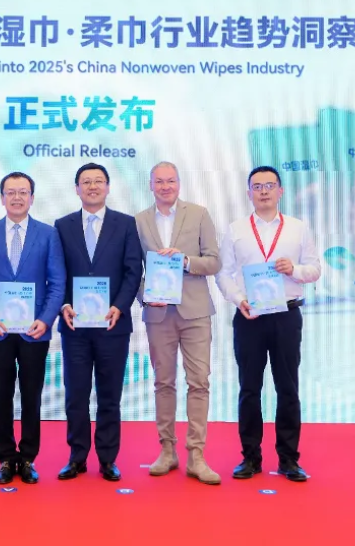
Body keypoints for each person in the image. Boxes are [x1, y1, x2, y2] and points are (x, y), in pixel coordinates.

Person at [215, 166, 321, 482]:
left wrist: (294, 270)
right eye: (257, 186)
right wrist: (239, 300)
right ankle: (250, 458)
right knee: (249, 388)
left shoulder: (298, 228)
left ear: (280, 191)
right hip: (250, 317)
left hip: (287, 316)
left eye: (269, 185)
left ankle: (289, 459)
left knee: (288, 388)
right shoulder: (235, 230)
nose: (263, 191)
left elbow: (315, 268)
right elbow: (223, 274)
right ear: (249, 193)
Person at [0, 171, 65, 485]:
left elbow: (57, 282)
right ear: (2, 198)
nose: (17, 197)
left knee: (32, 395)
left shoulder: (48, 234)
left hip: (34, 330)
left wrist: (45, 319)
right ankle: (7, 458)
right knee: (2, 394)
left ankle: (28, 458)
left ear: (32, 198)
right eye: (11, 192)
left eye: (23, 192)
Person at [54, 163, 143, 482]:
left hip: (112, 325)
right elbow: (57, 271)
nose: (92, 186)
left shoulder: (126, 224)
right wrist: (64, 303)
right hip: (75, 326)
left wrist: (119, 306)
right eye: (86, 182)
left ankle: (107, 459)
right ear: (76, 189)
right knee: (76, 396)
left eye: (98, 181)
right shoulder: (62, 226)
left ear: (107, 187)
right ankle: (77, 457)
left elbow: (133, 270)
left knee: (109, 395)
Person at [135, 161, 222, 485]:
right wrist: (145, 296)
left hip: (195, 312)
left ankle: (196, 455)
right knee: (163, 383)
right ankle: (167, 451)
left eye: (170, 181)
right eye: (159, 181)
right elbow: (132, 270)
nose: (165, 186)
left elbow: (214, 261)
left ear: (179, 183)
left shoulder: (199, 214)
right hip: (159, 313)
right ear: (151, 185)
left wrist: (185, 261)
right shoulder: (139, 221)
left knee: (199, 382)